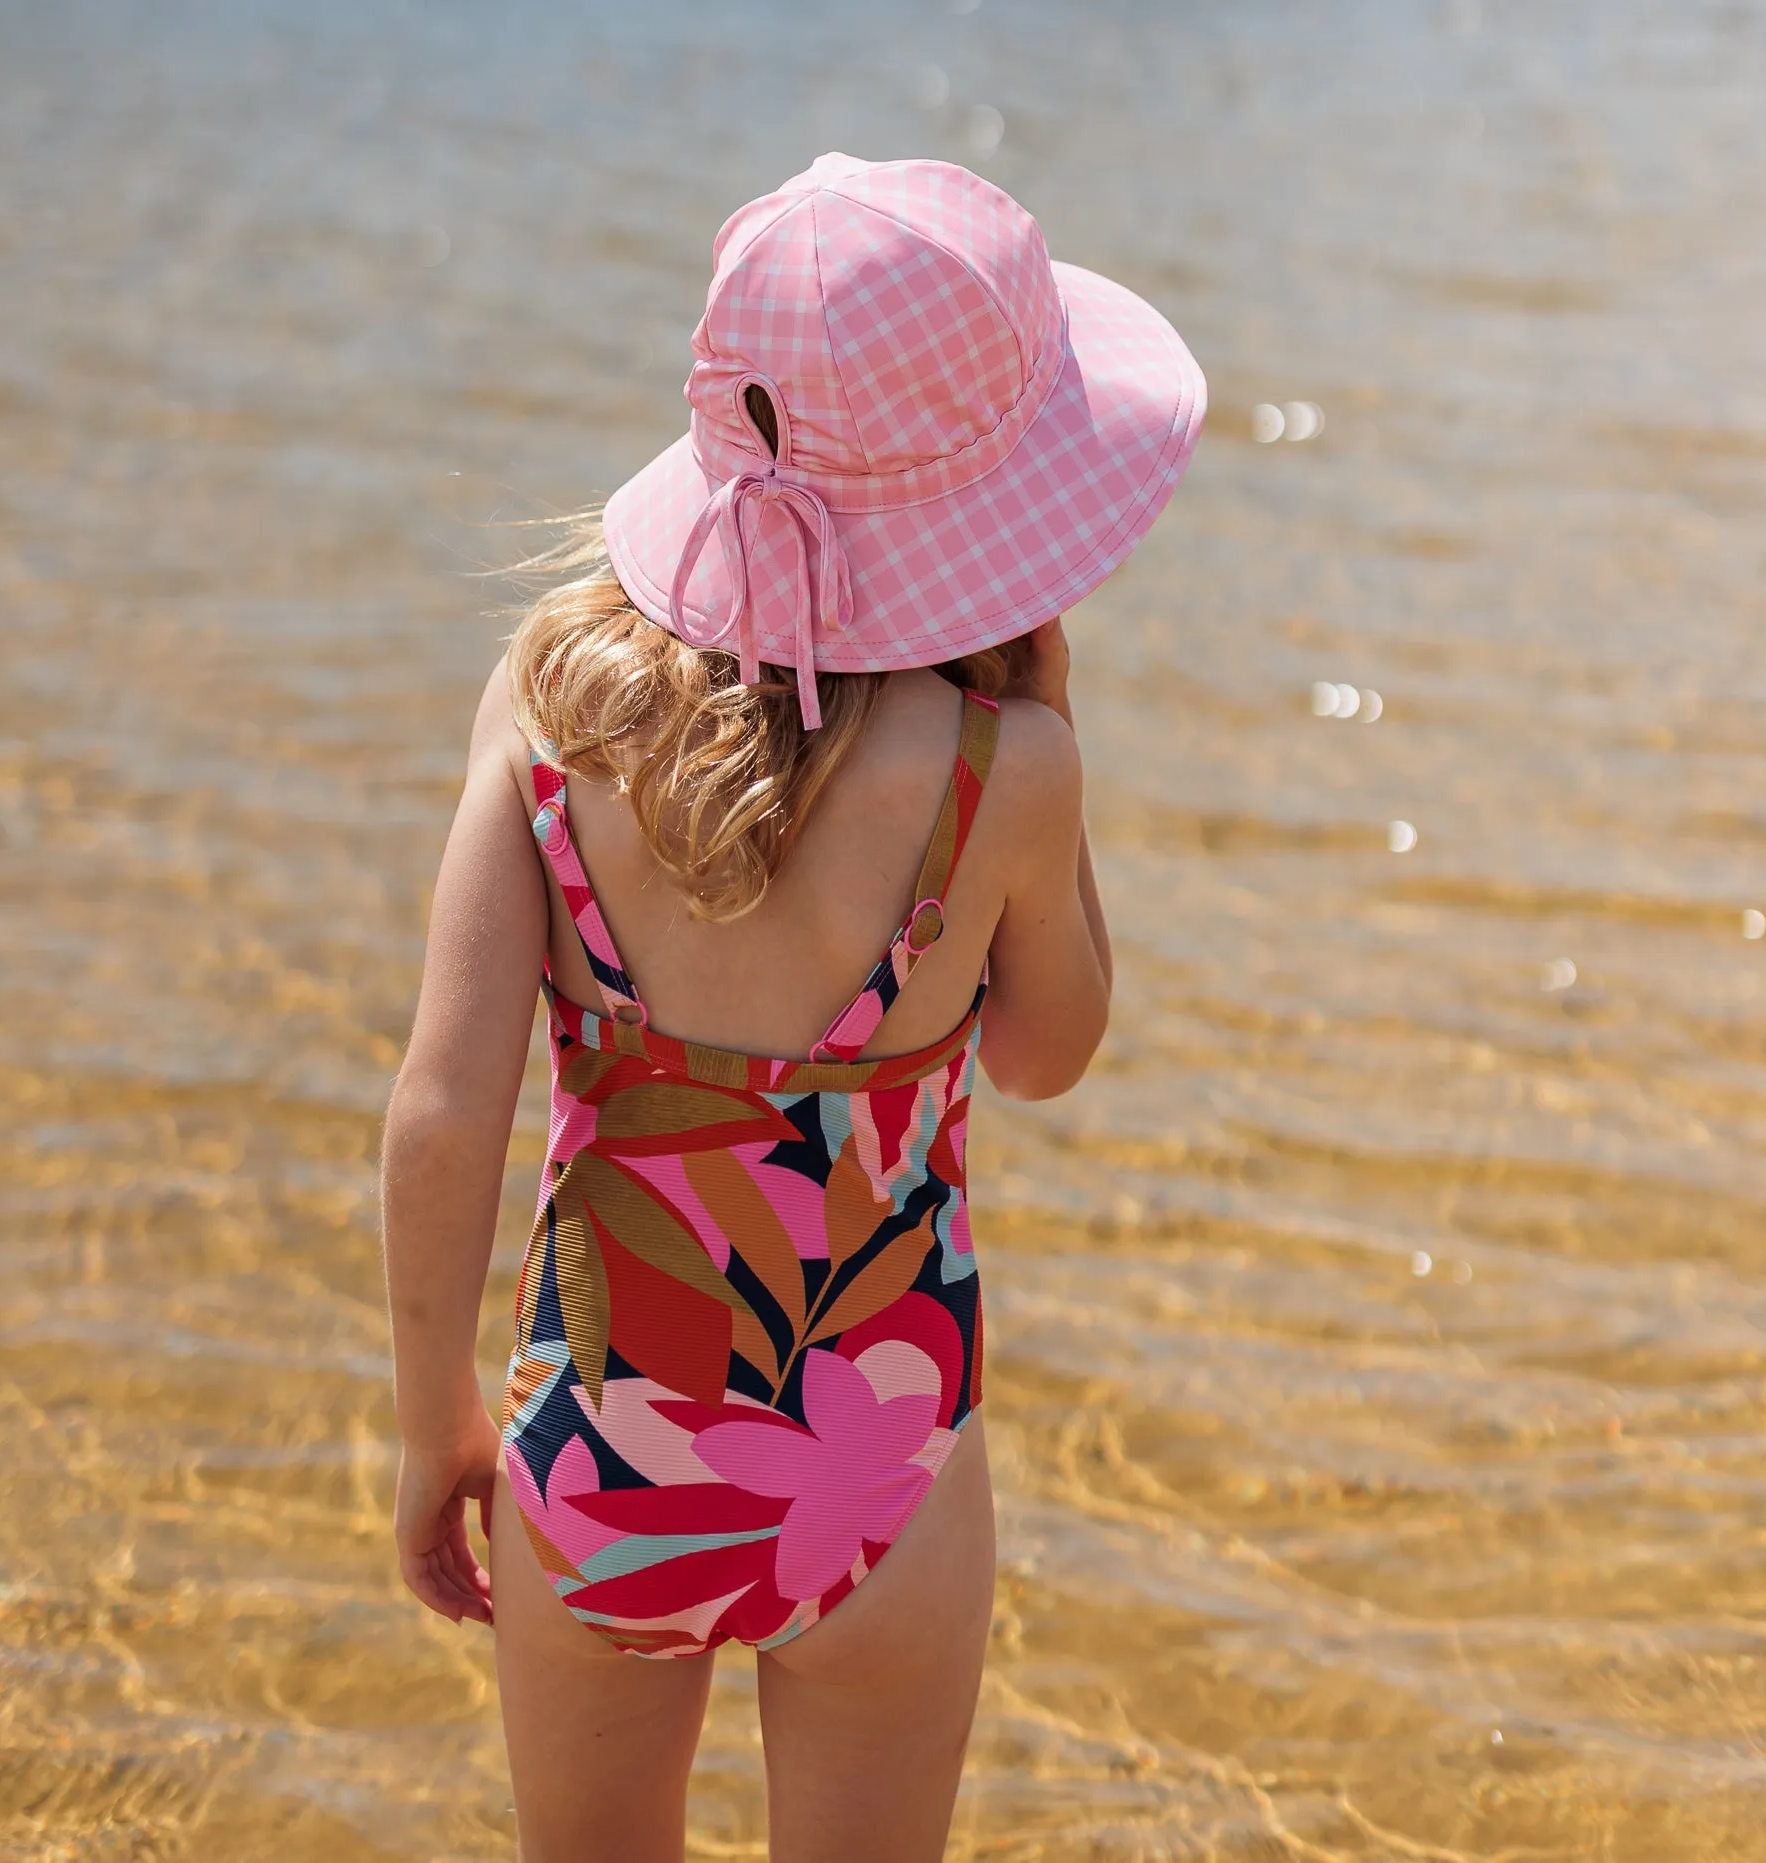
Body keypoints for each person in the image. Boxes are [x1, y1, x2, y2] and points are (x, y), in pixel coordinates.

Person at [380, 153, 1204, 1862]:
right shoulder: (998, 772)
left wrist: (430, 1424)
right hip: (882, 1457)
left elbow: (444, 1110)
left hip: (602, 1441)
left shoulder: (549, 711)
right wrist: (1050, 738)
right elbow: (1049, 1052)